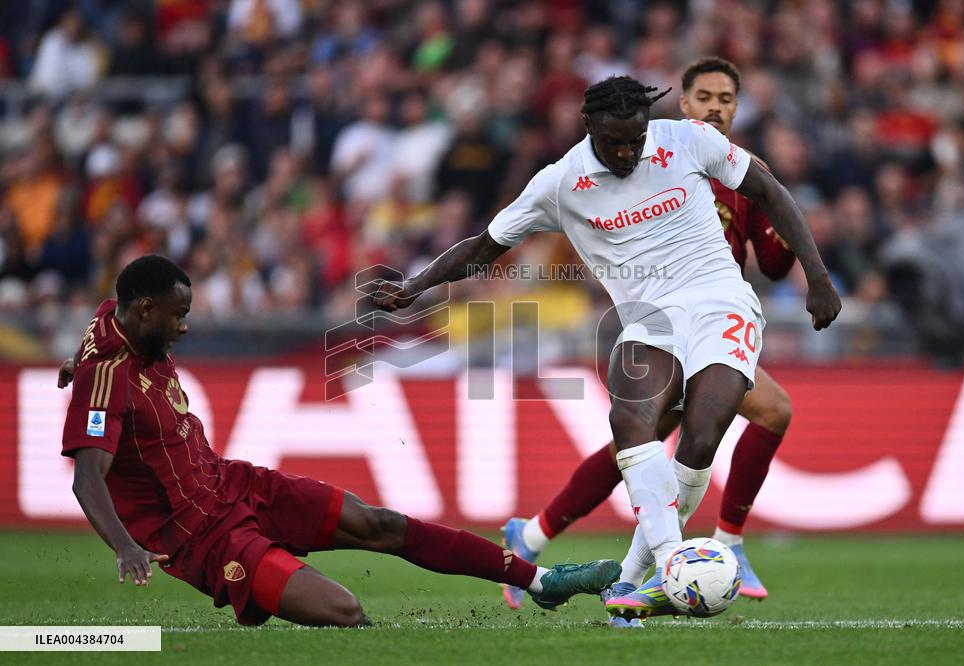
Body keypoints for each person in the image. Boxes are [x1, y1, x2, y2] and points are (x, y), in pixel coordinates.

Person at [373, 75, 840, 624]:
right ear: (587, 125)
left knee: (702, 433)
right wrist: (414, 287)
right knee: (633, 420)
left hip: (720, 302)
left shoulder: (687, 139)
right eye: (614, 142)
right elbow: (483, 248)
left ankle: (630, 577)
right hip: (648, 319)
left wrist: (818, 276)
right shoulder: (560, 182)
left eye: (635, 140)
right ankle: (667, 567)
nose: (627, 152)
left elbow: (769, 191)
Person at [59, 255, 620, 628]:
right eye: (177, 317)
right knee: (346, 612)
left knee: (383, 524)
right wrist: (125, 547)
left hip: (235, 484)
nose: (184, 328)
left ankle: (542, 581)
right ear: (146, 311)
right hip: (203, 537)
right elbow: (88, 477)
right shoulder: (105, 374)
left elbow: (99, 336)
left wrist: (74, 363)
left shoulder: (117, 322)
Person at [500, 57, 797, 617]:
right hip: (660, 322)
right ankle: (712, 548)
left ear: (737, 108)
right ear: (682, 106)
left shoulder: (738, 173)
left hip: (714, 322)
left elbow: (775, 265)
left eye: (726, 99)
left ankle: (539, 538)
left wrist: (781, 230)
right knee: (656, 441)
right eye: (703, 96)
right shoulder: (662, 156)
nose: (715, 107)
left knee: (652, 445)